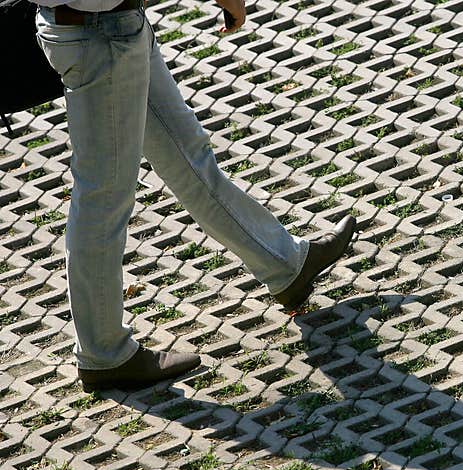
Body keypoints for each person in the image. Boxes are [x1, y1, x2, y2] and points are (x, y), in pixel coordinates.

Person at [31, 0, 355, 393]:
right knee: (103, 196)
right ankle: (103, 354)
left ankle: (285, 264)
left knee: (187, 155)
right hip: (100, 33)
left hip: (109, 25)